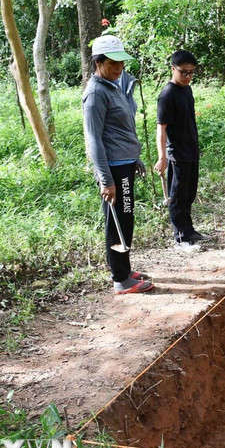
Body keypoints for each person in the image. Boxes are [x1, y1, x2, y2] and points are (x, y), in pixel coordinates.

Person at [82, 35, 154, 295]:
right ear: (98, 62)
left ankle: (124, 268)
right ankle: (120, 279)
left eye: (121, 63)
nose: (119, 68)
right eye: (113, 63)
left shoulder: (113, 86)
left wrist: (134, 157)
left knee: (126, 218)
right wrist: (106, 180)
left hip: (124, 165)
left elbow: (122, 128)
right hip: (113, 169)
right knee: (117, 221)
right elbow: (94, 140)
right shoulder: (95, 94)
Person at [154, 50, 208, 252]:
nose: (187, 77)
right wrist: (162, 156)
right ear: (173, 69)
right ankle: (180, 237)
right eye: (183, 72)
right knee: (177, 196)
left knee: (189, 194)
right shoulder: (167, 95)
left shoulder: (187, 90)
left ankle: (189, 230)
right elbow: (161, 128)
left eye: (191, 72)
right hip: (176, 155)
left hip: (191, 151)